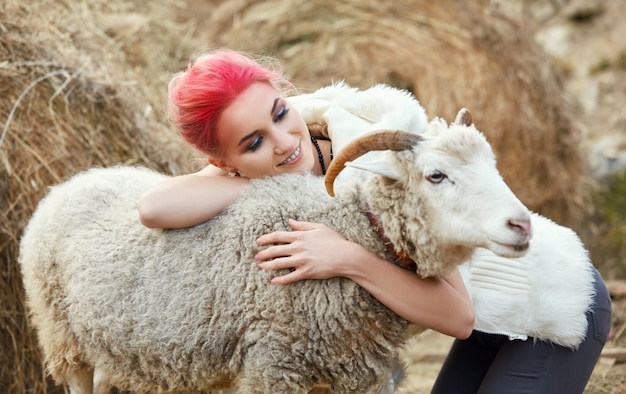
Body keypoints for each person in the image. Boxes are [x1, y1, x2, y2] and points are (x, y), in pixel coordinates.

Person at [138, 49, 611, 394]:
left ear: (289, 100)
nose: (283, 141)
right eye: (253, 143)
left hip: (551, 300)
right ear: (224, 162)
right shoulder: (268, 169)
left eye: (282, 113)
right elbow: (154, 207)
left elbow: (458, 315)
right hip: (496, 320)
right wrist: (265, 186)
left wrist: (347, 257)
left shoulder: (379, 158)